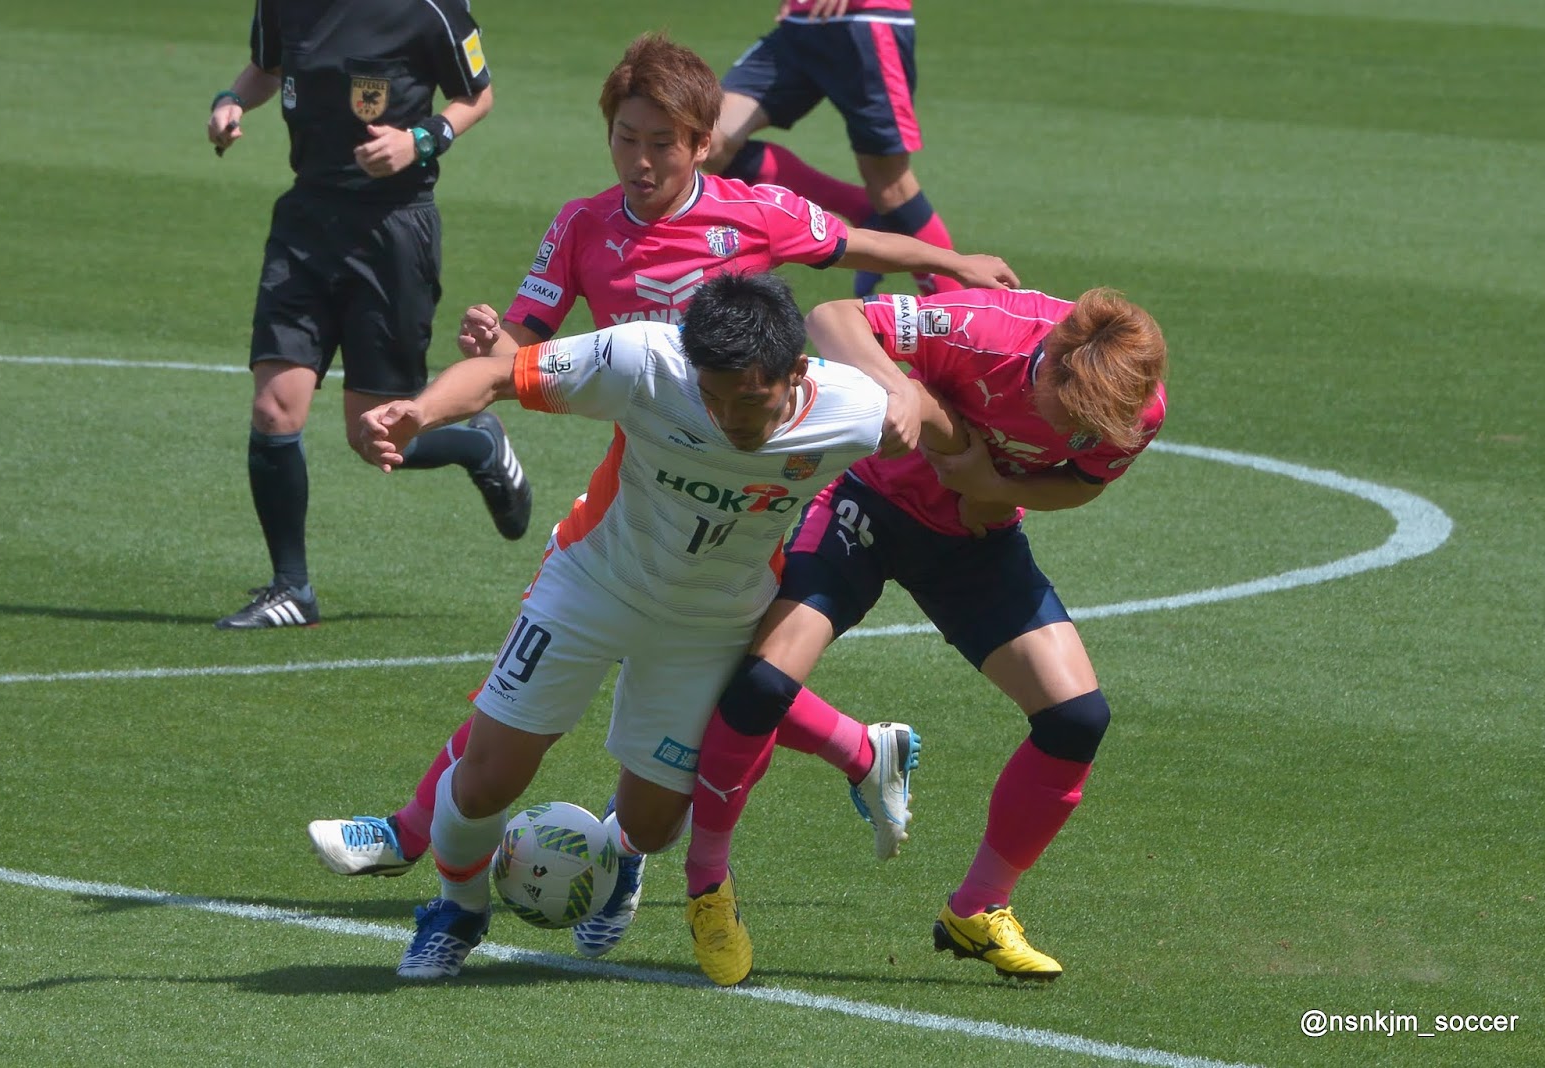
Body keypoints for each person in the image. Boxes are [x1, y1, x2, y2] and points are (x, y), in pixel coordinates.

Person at [306, 31, 1017, 958]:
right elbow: (517, 348)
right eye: (625, 139)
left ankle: (667, 834)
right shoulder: (590, 239)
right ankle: (437, 871)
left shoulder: (755, 219)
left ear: (702, 143)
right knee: (505, 748)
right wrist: (474, 362)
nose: (640, 162)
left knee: (688, 729)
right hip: (641, 462)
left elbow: (852, 243)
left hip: (747, 486)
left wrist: (951, 267)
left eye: (661, 144)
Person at [357, 271, 965, 979]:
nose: (729, 418)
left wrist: (911, 406)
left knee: (650, 827)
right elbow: (497, 376)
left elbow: (945, 428)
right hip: (590, 586)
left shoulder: (852, 408)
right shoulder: (642, 360)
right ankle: (457, 910)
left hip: (710, 623)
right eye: (712, 396)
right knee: (486, 779)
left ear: (797, 372)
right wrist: (420, 412)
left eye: (750, 400)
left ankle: (619, 866)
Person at [681, 286, 1168, 986]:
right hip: (866, 507)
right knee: (761, 684)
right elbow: (832, 317)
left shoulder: (1132, 406)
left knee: (1076, 720)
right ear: (1052, 364)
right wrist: (898, 390)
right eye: (1070, 416)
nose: (1077, 431)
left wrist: (995, 487)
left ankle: (978, 908)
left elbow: (1083, 484)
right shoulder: (984, 330)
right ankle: (707, 887)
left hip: (973, 537)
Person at [207, 0, 532, 630]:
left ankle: (479, 445)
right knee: (274, 408)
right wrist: (232, 101)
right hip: (305, 224)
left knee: (374, 435)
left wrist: (420, 140)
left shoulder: (429, 9)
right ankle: (292, 589)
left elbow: (477, 96)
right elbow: (266, 69)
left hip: (392, 234)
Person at [704, 0, 960, 299]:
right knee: (708, 140)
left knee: (891, 188)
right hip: (800, 26)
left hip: (865, 22)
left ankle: (960, 309)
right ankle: (863, 210)